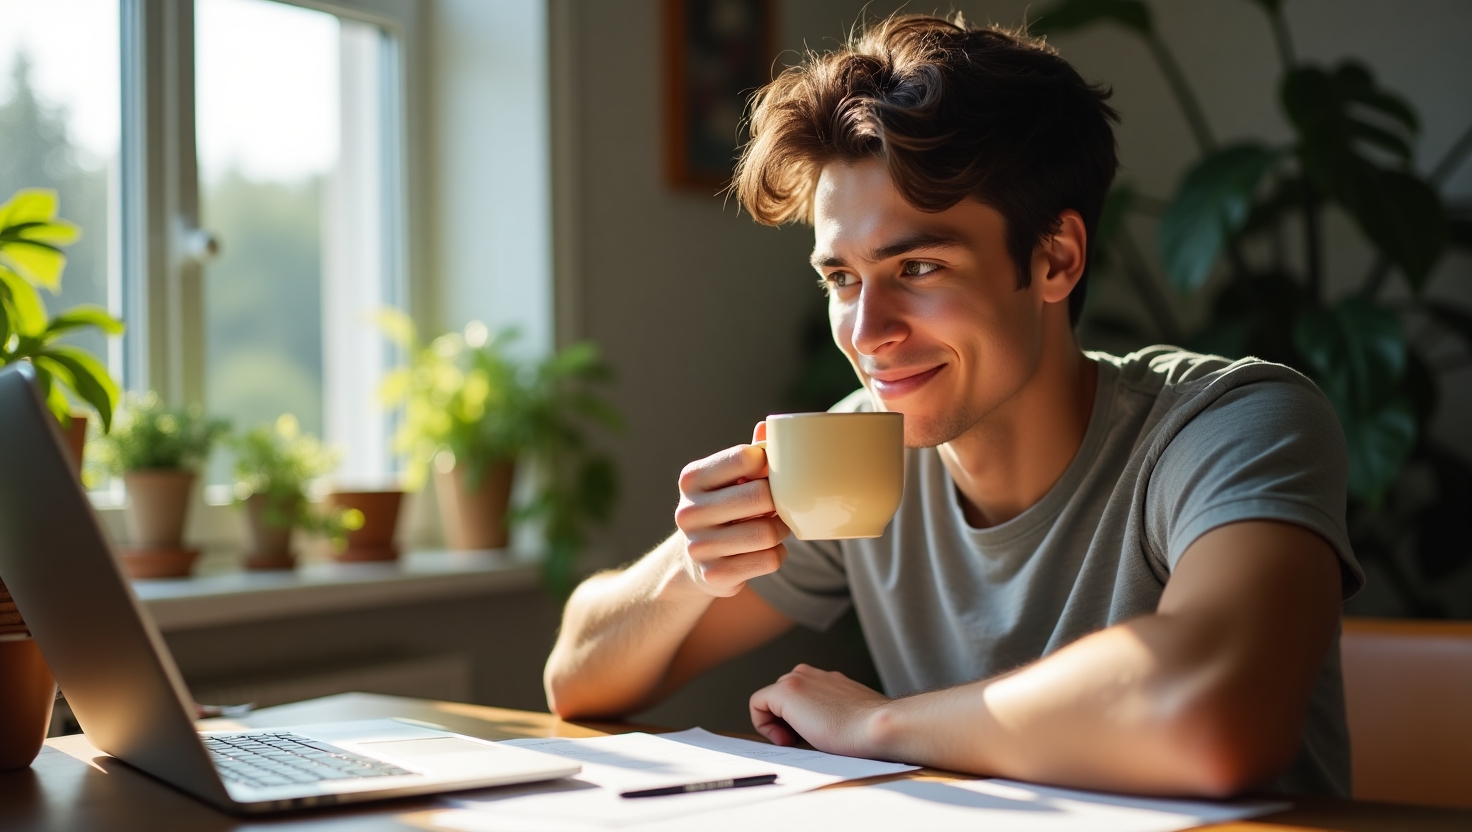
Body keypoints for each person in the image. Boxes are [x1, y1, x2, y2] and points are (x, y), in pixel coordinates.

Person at [544, 14, 1361, 799]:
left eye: (919, 268)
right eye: (840, 278)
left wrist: (878, 727)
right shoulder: (859, 457)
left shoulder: (1229, 426)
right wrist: (693, 571)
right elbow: (576, 679)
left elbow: (1214, 715)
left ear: (1055, 258)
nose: (868, 333)